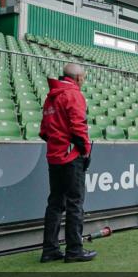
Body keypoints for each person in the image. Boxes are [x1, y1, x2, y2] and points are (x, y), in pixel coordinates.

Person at [39, 63, 96, 263]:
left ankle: (50, 249)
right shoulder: (73, 95)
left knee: (55, 203)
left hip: (54, 156)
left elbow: (44, 131)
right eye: (84, 76)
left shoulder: (50, 97)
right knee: (74, 203)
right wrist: (85, 151)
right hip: (71, 157)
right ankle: (74, 250)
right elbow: (79, 127)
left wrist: (57, 145)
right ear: (78, 77)